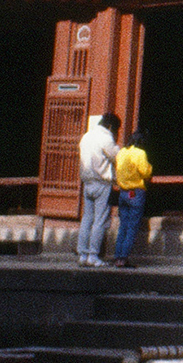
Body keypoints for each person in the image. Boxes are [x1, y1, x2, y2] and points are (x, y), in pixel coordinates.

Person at [76, 112, 119, 267]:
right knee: (100, 221)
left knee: (86, 219)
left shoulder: (86, 136)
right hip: (102, 182)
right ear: (111, 127)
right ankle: (93, 255)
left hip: (87, 182)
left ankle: (82, 254)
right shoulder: (106, 138)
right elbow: (117, 156)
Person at [112, 132, 152, 267]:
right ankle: (124, 258)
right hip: (135, 192)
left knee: (123, 226)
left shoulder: (122, 152)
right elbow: (145, 172)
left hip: (123, 192)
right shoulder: (140, 153)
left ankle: (117, 257)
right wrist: (150, 167)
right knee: (132, 227)